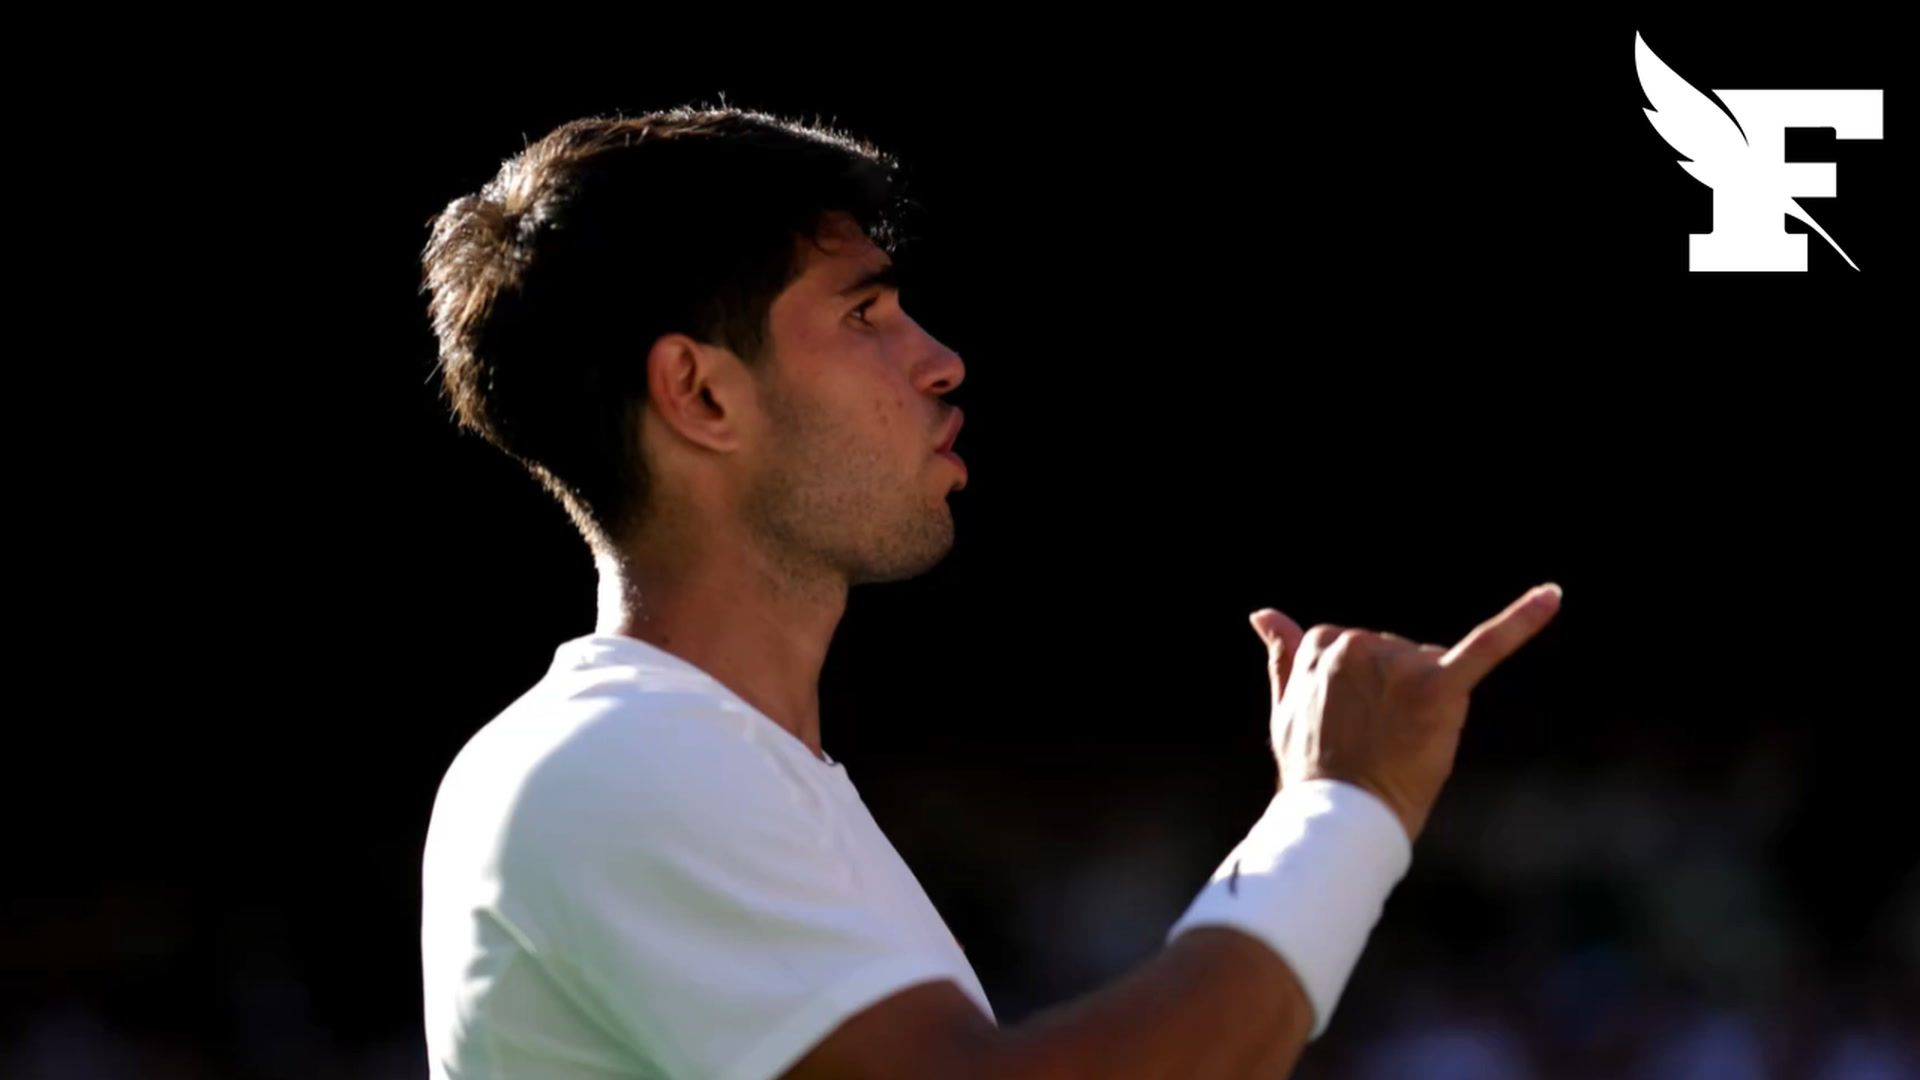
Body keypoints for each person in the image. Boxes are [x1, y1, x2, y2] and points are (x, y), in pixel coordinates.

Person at [417, 105, 1562, 1080]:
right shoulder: (617, 756)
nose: (938, 357)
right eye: (864, 313)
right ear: (701, 396)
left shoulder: (709, 762)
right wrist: (1341, 810)